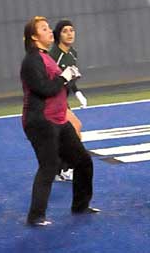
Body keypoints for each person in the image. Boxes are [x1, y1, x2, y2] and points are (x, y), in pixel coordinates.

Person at [20, 16, 99, 226]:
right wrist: (64, 77)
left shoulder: (46, 57)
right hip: (40, 121)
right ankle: (35, 216)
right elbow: (44, 89)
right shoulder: (32, 60)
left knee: (83, 160)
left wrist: (69, 79)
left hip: (58, 119)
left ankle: (80, 206)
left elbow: (58, 87)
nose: (49, 32)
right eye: (44, 29)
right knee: (49, 165)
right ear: (34, 37)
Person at [50, 19, 87, 181]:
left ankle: (59, 169)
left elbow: (69, 78)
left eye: (71, 30)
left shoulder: (72, 54)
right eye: (65, 31)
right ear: (58, 34)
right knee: (75, 128)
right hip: (52, 100)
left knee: (66, 134)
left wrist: (77, 92)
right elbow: (52, 80)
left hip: (63, 99)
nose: (70, 33)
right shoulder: (53, 56)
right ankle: (65, 168)